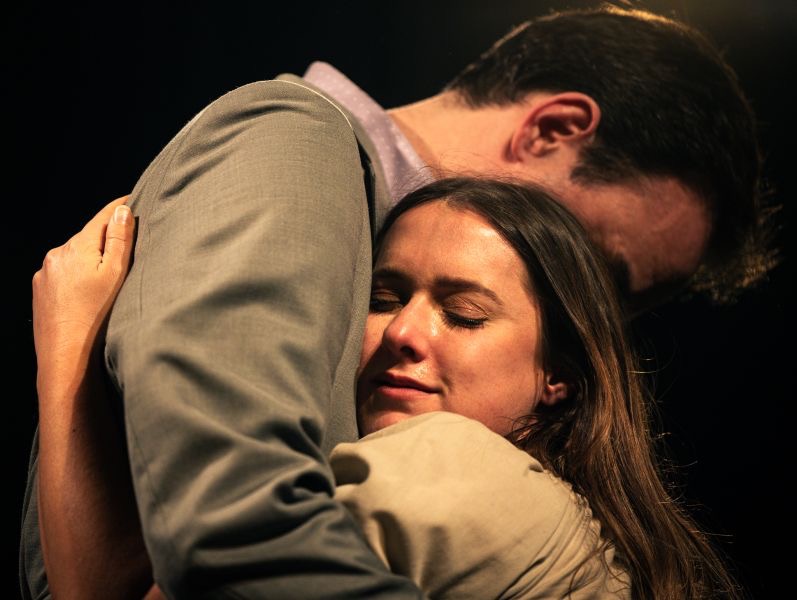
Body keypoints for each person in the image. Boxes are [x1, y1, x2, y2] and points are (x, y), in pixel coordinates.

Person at [21, 6, 770, 599]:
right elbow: (230, 528)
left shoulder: (482, 479)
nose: (590, 315)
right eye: (607, 269)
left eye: (462, 311)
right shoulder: (299, 146)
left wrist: (65, 358)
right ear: (552, 130)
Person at [31, 177, 742, 599]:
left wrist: (67, 344)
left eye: (464, 314)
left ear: (559, 377)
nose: (403, 331)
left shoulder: (462, 466)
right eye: (383, 298)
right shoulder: (579, 531)